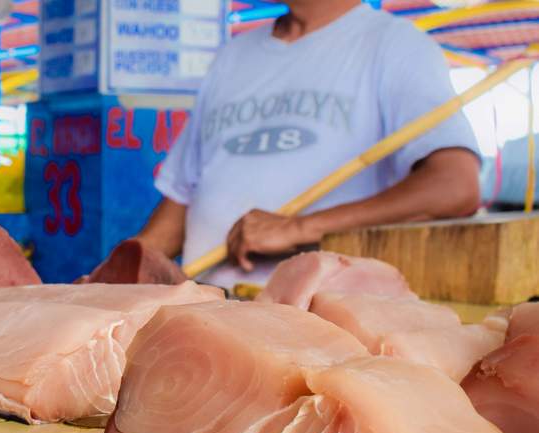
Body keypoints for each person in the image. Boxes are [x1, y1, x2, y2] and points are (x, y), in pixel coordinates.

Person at [135, 0, 481, 287]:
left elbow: (454, 186)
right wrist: (123, 270)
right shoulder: (232, 56)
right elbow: (182, 196)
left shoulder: (396, 45)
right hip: (207, 311)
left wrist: (300, 228)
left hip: (317, 326)